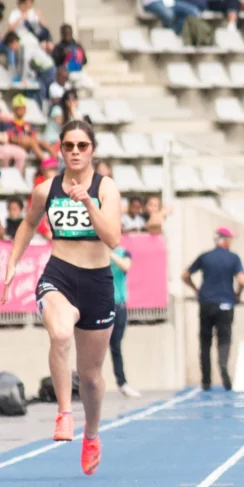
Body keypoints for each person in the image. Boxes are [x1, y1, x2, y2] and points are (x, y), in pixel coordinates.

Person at [1, 120, 121, 476]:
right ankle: (65, 413)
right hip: (60, 275)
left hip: (98, 283)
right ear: (60, 149)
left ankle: (92, 434)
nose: (75, 152)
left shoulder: (106, 188)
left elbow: (113, 238)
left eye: (82, 146)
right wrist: (11, 267)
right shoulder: (45, 190)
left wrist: (88, 203)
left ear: (93, 150)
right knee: (60, 332)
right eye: (69, 145)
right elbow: (26, 224)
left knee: (91, 377)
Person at [181, 227, 244, 391]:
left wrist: (196, 290)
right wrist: (237, 295)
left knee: (205, 342)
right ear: (224, 240)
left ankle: (206, 380)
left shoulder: (205, 257)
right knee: (224, 339)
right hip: (226, 303)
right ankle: (223, 367)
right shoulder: (233, 258)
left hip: (206, 303)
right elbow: (243, 281)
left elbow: (185, 275)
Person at [109, 243, 141, 398]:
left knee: (116, 345)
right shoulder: (93, 251)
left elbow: (125, 266)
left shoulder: (123, 253)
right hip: (99, 305)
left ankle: (122, 383)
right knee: (93, 348)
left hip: (118, 305)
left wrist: (110, 253)